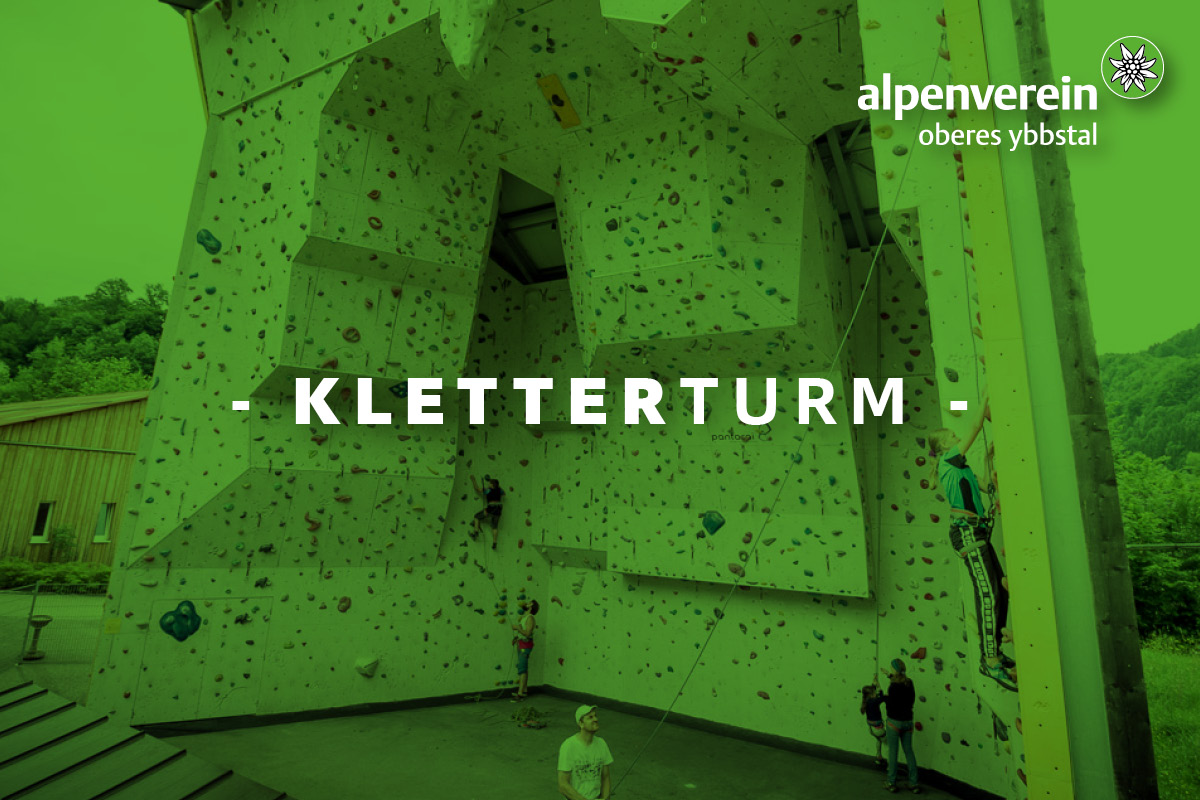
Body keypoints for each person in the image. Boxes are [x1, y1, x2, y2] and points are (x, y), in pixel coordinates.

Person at [928, 394, 1017, 692]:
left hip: (976, 532)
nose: (957, 438)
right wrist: (987, 395)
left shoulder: (961, 467)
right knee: (988, 594)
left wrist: (990, 464)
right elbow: (975, 427)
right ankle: (989, 660)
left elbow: (985, 486)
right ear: (945, 446)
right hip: (967, 533)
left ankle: (996, 653)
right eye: (952, 437)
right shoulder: (948, 461)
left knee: (1000, 591)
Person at [881, 659, 920, 794]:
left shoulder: (893, 687)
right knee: (909, 751)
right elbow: (910, 698)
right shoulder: (909, 682)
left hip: (894, 722)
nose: (890, 669)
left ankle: (891, 783)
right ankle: (914, 783)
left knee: (893, 752)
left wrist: (883, 696)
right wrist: (889, 675)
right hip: (908, 722)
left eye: (891, 668)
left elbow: (891, 704)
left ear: (895, 670)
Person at [558, 705, 613, 800]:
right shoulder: (568, 746)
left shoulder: (601, 743)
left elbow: (606, 777)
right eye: (590, 717)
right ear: (581, 724)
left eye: (595, 716)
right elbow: (563, 785)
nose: (596, 719)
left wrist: (605, 798)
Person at [511, 599, 539, 701]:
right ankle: (524, 690)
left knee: (522, 669)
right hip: (521, 644)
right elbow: (523, 632)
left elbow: (527, 633)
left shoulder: (530, 618)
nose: (526, 603)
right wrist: (516, 638)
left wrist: (517, 628)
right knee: (523, 668)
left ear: (531, 606)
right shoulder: (525, 617)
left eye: (529, 602)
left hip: (525, 646)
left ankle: (520, 694)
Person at [470, 475, 504, 549]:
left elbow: (477, 489)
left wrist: (473, 480)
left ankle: (476, 532)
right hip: (499, 509)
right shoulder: (500, 490)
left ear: (492, 485)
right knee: (495, 527)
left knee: (476, 516)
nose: (488, 484)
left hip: (491, 508)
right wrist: (498, 486)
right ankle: (494, 542)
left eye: (490, 483)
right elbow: (504, 493)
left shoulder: (488, 490)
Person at [860, 678, 886, 767]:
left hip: (871, 729)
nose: (876, 693)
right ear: (871, 694)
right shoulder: (874, 701)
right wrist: (879, 687)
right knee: (889, 745)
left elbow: (874, 693)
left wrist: (874, 684)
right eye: (874, 692)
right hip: (878, 729)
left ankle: (879, 757)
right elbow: (882, 698)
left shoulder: (867, 701)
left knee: (879, 740)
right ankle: (890, 767)